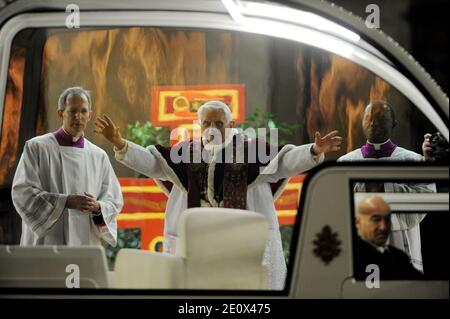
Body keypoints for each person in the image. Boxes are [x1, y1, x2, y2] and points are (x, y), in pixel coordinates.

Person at [94, 100, 343, 290]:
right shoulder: (187, 152)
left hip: (241, 238)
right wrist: (120, 143)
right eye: (207, 123)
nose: (212, 128)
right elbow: (152, 163)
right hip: (199, 239)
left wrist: (313, 150)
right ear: (199, 125)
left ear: (231, 125)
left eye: (219, 123)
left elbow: (286, 161)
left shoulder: (252, 150)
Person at [12, 87, 123, 246]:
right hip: (46, 243)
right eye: (72, 111)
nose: (78, 117)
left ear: (90, 115)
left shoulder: (98, 156)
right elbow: (22, 193)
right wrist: (65, 202)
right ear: (61, 113)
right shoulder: (37, 147)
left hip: (84, 241)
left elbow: (114, 200)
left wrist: (98, 207)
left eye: (84, 111)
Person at [338, 100, 435, 272]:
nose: (374, 122)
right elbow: (337, 210)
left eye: (381, 118)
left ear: (394, 124)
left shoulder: (413, 161)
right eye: (368, 117)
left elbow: (426, 200)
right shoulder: (345, 163)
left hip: (402, 247)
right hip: (360, 249)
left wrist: (378, 186)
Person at [354, 196, 422, 280]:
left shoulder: (399, 257)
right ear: (358, 222)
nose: (383, 227)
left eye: (387, 219)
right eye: (376, 219)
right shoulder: (352, 254)